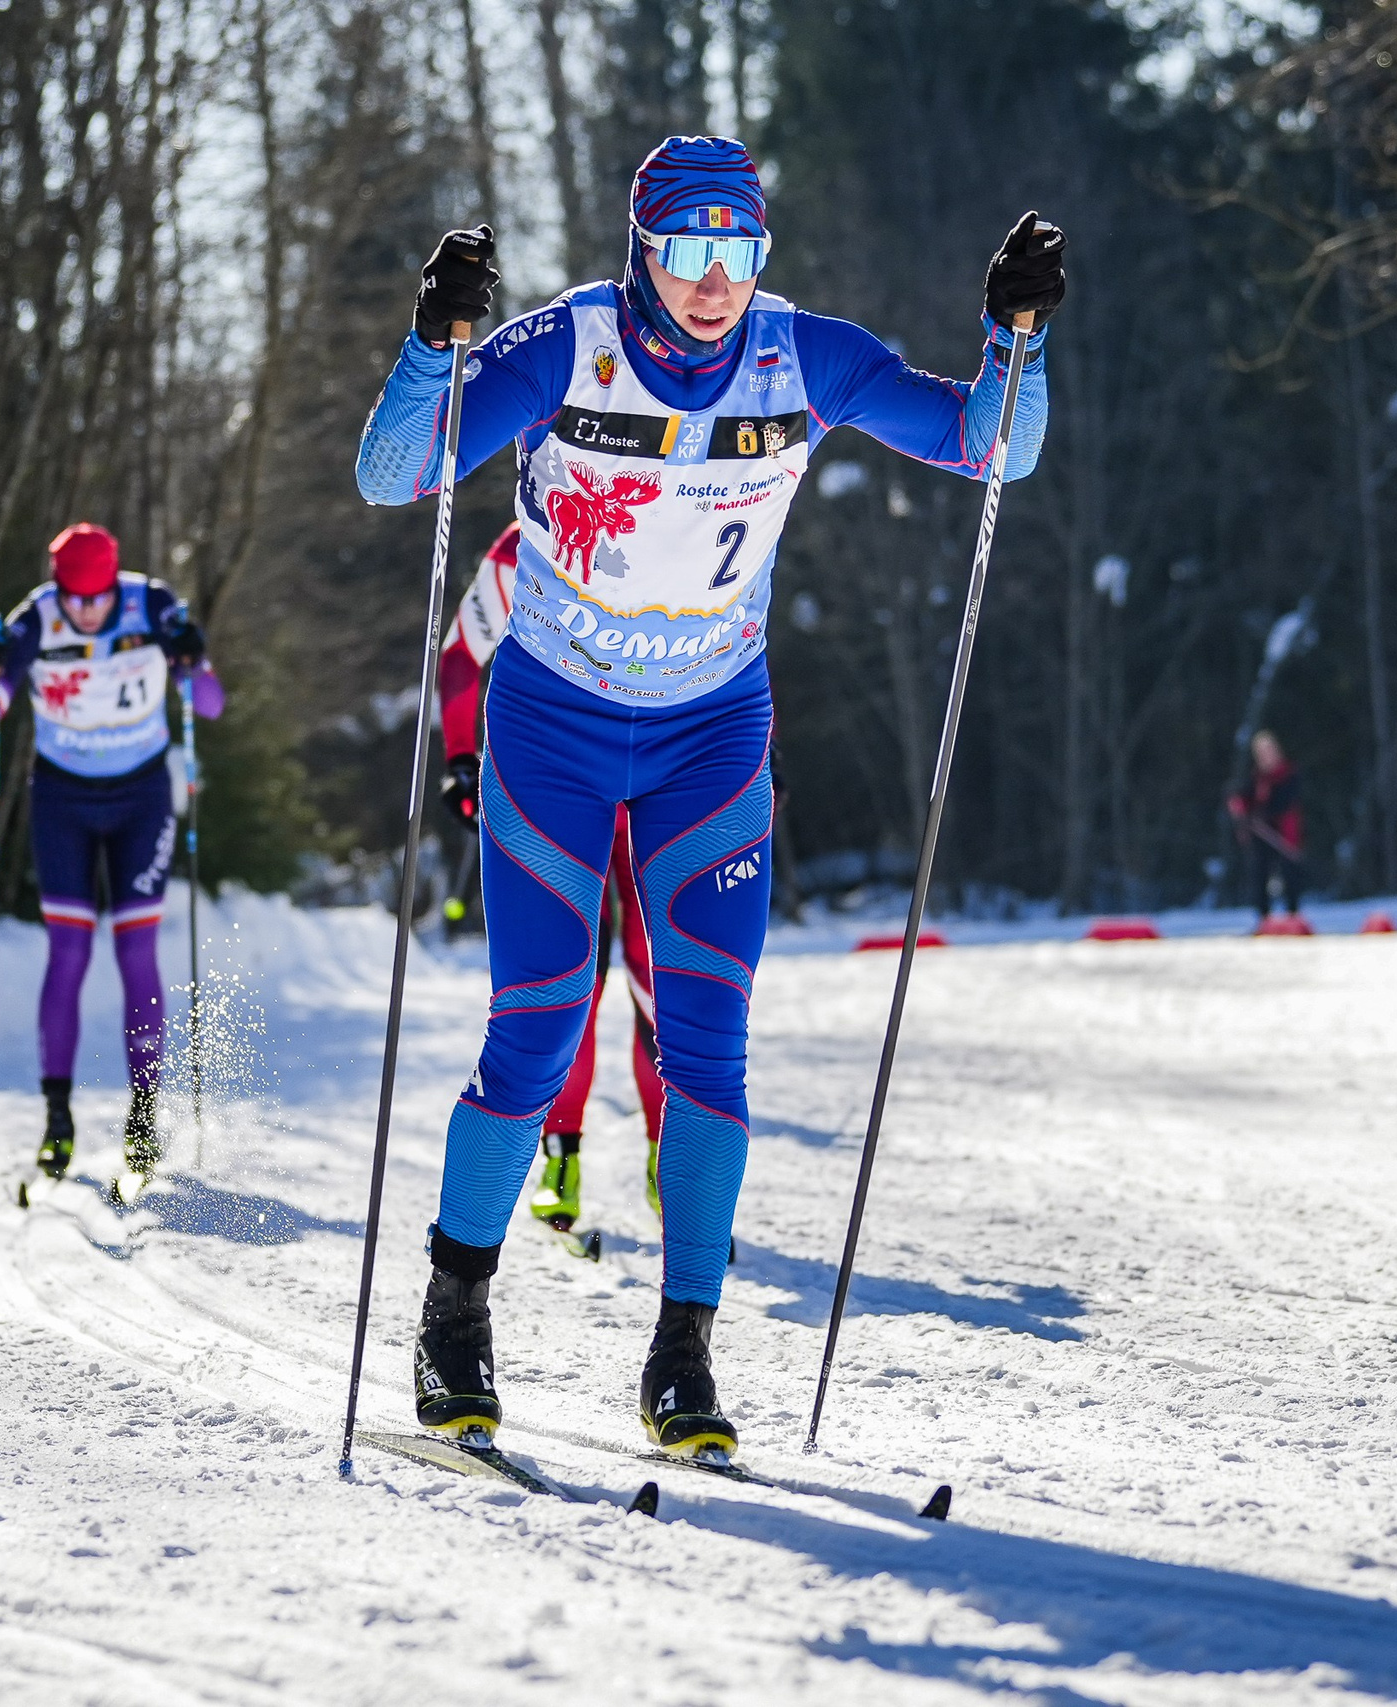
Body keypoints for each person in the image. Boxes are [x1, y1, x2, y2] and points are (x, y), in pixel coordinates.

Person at [355, 134, 1060, 1456]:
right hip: (554, 725)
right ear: (644, 249)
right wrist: (433, 347)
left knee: (707, 1047)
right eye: (686, 248)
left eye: (737, 249)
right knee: (539, 1025)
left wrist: (1014, 335)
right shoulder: (566, 349)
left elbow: (989, 449)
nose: (713, 280)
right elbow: (395, 473)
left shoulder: (806, 356)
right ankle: (456, 1314)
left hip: (710, 737)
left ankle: (684, 1350)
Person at [0, 522, 221, 1188]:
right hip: (62, 802)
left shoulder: (153, 604)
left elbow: (210, 704)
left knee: (136, 950)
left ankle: (143, 1113)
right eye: (72, 599)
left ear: (115, 583)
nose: (84, 612)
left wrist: (193, 658)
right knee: (69, 952)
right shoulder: (37, 616)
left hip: (140, 799)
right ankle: (57, 1117)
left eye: (95, 599)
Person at [436, 521, 667, 1235]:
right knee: (576, 982)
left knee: (661, 979)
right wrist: (459, 755)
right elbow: (458, 655)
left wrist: (763, 748)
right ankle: (561, 1156)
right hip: (567, 793)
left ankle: (674, 1163)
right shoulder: (524, 542)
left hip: (662, 786)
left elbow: (740, 643)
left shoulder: (678, 512)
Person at [1228, 729, 1304, 920]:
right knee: (1259, 872)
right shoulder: (1255, 777)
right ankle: (1263, 918)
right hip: (1262, 835)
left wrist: (1262, 815)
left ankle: (1292, 916)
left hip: (1284, 833)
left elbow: (1286, 801)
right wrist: (1241, 810)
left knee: (1289, 874)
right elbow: (1240, 796)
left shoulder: (1289, 773)